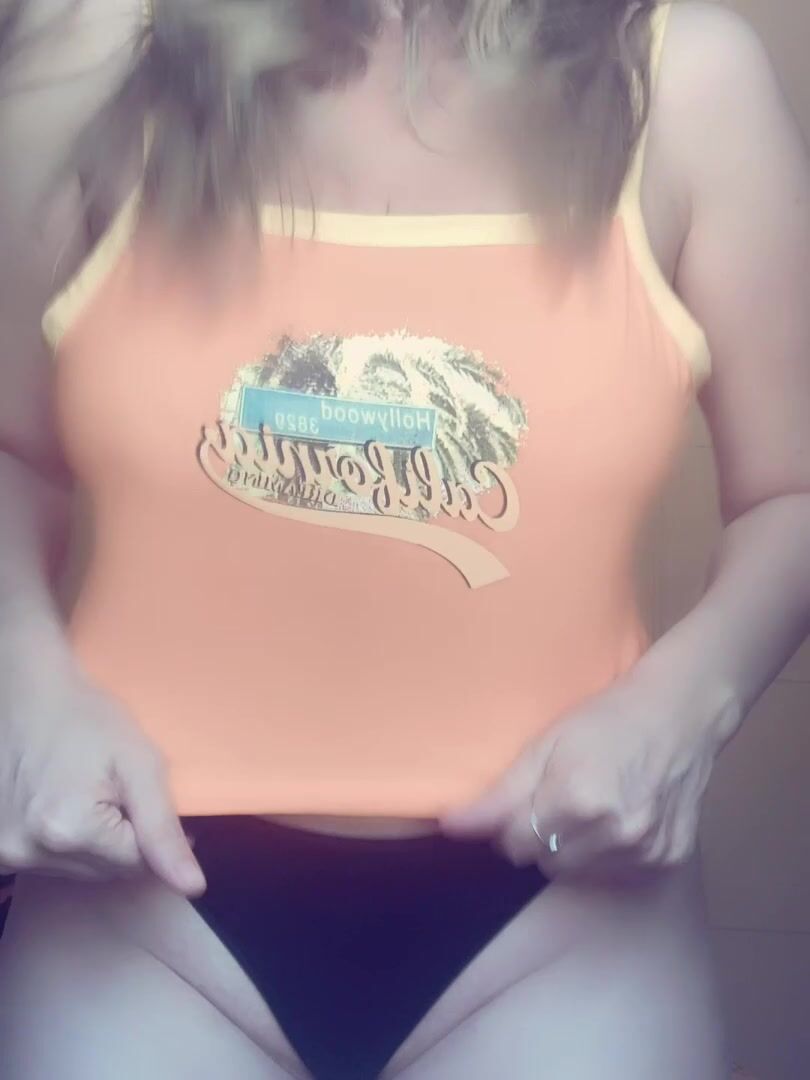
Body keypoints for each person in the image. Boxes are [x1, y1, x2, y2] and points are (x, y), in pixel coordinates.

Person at [0, 0, 807, 1077]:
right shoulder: (90, 52)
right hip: (138, 900)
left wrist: (686, 710)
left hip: (559, 911)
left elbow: (791, 491)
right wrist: (21, 680)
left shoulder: (685, 80)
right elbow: (12, 452)